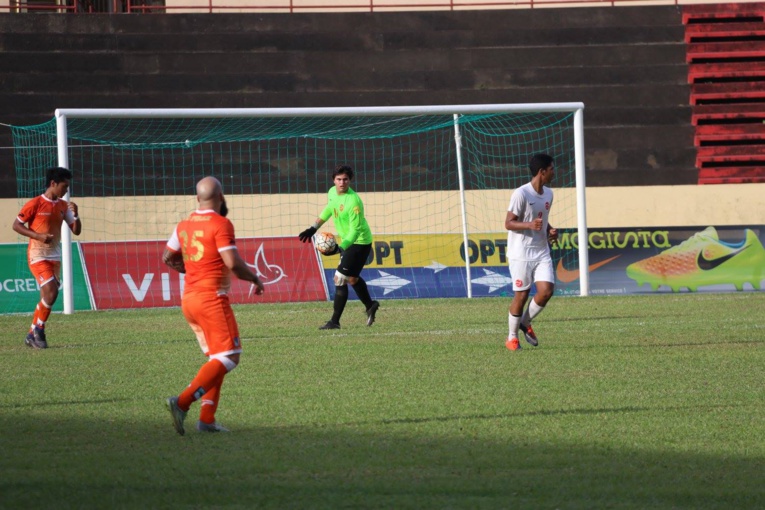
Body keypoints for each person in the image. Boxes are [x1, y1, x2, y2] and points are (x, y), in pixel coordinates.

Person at [162, 176, 265, 435]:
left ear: (197, 198)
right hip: (211, 299)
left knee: (217, 358)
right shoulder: (221, 224)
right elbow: (232, 263)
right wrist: (254, 278)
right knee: (230, 357)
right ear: (221, 197)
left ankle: (207, 419)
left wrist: (191, 269)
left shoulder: (183, 225)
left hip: (189, 299)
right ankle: (182, 402)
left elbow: (168, 257)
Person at [298, 164, 379, 330]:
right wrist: (313, 227)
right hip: (348, 241)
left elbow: (356, 230)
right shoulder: (331, 192)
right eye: (339, 179)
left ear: (350, 180)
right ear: (333, 180)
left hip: (359, 242)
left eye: (345, 179)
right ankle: (370, 305)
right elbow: (329, 209)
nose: (342, 182)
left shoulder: (354, 201)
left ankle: (334, 321)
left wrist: (341, 248)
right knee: (352, 278)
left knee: (339, 277)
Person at [13, 167, 82, 349]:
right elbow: (16, 225)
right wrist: (38, 236)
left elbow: (76, 230)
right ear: (53, 183)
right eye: (64, 186)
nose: (66, 190)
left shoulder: (63, 206)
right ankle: (39, 330)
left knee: (47, 295)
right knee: (52, 292)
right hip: (37, 255)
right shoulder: (35, 203)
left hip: (55, 256)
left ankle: (31, 334)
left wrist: (76, 215)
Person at [504, 153, 558, 351]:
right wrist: (529, 224)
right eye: (551, 169)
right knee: (522, 295)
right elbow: (508, 223)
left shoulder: (549, 194)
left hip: (541, 251)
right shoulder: (521, 194)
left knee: (546, 291)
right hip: (521, 253)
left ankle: (525, 322)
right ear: (542, 172)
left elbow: (541, 219)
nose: (554, 172)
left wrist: (549, 230)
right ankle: (512, 337)